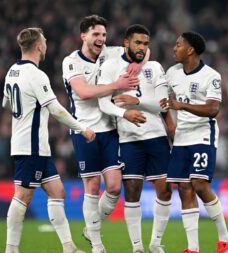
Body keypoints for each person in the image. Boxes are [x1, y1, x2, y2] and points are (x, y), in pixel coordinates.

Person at [3, 27, 95, 253]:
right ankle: (11, 249)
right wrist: (82, 128)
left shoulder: (12, 71)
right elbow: (55, 109)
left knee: (57, 192)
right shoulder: (35, 74)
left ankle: (68, 247)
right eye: (44, 41)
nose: (46, 44)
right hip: (30, 146)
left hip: (36, 146)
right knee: (22, 196)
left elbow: (6, 103)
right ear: (38, 46)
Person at [61, 15, 146, 253]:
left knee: (114, 187)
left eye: (103, 35)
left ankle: (91, 229)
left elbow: (143, 52)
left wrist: (136, 65)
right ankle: (97, 245)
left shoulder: (110, 53)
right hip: (84, 130)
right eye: (96, 34)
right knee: (92, 185)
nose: (100, 39)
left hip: (109, 129)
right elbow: (84, 92)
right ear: (84, 36)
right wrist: (117, 85)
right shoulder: (71, 62)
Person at [98, 24, 173, 253]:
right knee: (132, 192)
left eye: (146, 44)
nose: (142, 48)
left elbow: (163, 104)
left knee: (165, 190)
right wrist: (125, 113)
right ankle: (137, 247)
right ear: (126, 42)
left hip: (156, 136)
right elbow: (103, 103)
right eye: (138, 42)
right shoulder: (111, 66)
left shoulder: (154, 67)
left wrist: (137, 102)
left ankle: (156, 243)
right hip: (129, 139)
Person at [160, 31, 228, 253]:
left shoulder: (211, 76)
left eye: (178, 45)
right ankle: (193, 248)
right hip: (182, 136)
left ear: (190, 49)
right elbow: (163, 102)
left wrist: (182, 106)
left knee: (200, 184)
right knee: (184, 188)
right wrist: (170, 125)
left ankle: (225, 239)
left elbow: (213, 109)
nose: (174, 48)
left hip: (203, 134)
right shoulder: (172, 73)